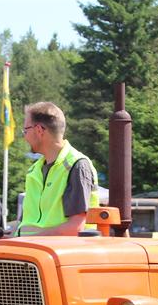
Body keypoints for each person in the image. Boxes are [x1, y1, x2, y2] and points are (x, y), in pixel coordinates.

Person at [18, 101, 99, 236]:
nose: (24, 136)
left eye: (25, 130)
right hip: (34, 253)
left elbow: (76, 227)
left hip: (62, 254)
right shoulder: (34, 171)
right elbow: (25, 226)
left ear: (38, 130)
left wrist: (28, 240)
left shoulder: (77, 165)